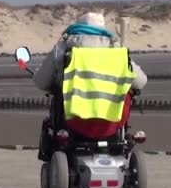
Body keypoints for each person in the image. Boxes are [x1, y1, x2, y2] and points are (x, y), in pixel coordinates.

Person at [33, 12, 147, 140]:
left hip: (74, 120)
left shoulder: (63, 48)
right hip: (112, 121)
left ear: (77, 27)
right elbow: (141, 81)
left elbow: (41, 82)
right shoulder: (117, 50)